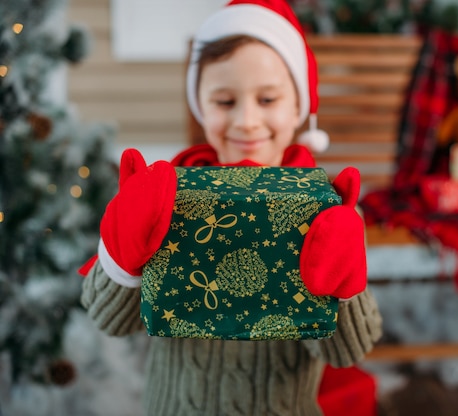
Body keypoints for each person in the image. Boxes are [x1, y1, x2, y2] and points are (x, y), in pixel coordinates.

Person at [80, 0, 382, 415]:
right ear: (199, 105)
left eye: (268, 99)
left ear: (300, 107)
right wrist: (120, 257)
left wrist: (343, 288)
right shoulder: (164, 200)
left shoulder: (329, 214)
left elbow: (347, 352)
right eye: (224, 101)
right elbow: (110, 321)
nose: (246, 121)